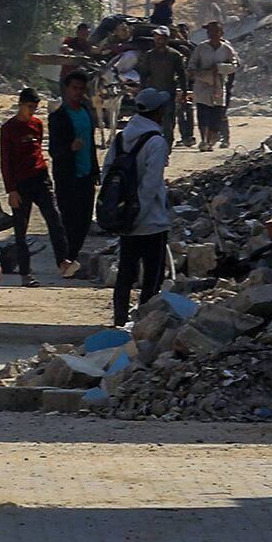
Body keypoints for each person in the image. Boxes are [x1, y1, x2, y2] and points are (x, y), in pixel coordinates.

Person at [101, 87, 175, 325]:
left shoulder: (121, 138)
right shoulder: (156, 142)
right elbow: (150, 185)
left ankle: (120, 320)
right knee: (152, 277)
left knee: (125, 273)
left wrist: (123, 210)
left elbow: (107, 172)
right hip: (151, 222)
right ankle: (145, 324)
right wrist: (139, 213)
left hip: (125, 221)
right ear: (157, 112)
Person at [0, 87, 66, 279]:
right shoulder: (9, 128)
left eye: (35, 107)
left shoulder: (37, 124)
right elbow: (5, 161)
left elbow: (37, 148)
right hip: (20, 184)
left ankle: (63, 261)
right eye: (29, 107)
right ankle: (25, 273)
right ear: (20, 104)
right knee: (21, 229)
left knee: (55, 219)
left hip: (40, 178)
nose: (31, 111)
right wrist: (11, 190)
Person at [46, 70, 100, 281]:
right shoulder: (58, 117)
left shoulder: (86, 111)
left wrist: (95, 170)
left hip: (86, 175)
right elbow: (54, 151)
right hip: (68, 177)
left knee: (84, 220)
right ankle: (66, 261)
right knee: (68, 220)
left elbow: (91, 144)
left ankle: (71, 259)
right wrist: (70, 148)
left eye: (81, 89)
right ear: (66, 89)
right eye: (74, 88)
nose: (77, 92)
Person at [189, 20, 240, 151]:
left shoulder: (227, 49)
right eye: (210, 31)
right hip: (202, 85)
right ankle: (204, 141)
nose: (212, 34)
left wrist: (220, 68)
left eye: (215, 31)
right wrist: (197, 72)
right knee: (203, 113)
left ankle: (211, 140)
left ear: (221, 33)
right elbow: (192, 65)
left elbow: (235, 65)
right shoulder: (201, 48)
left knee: (216, 115)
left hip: (219, 85)